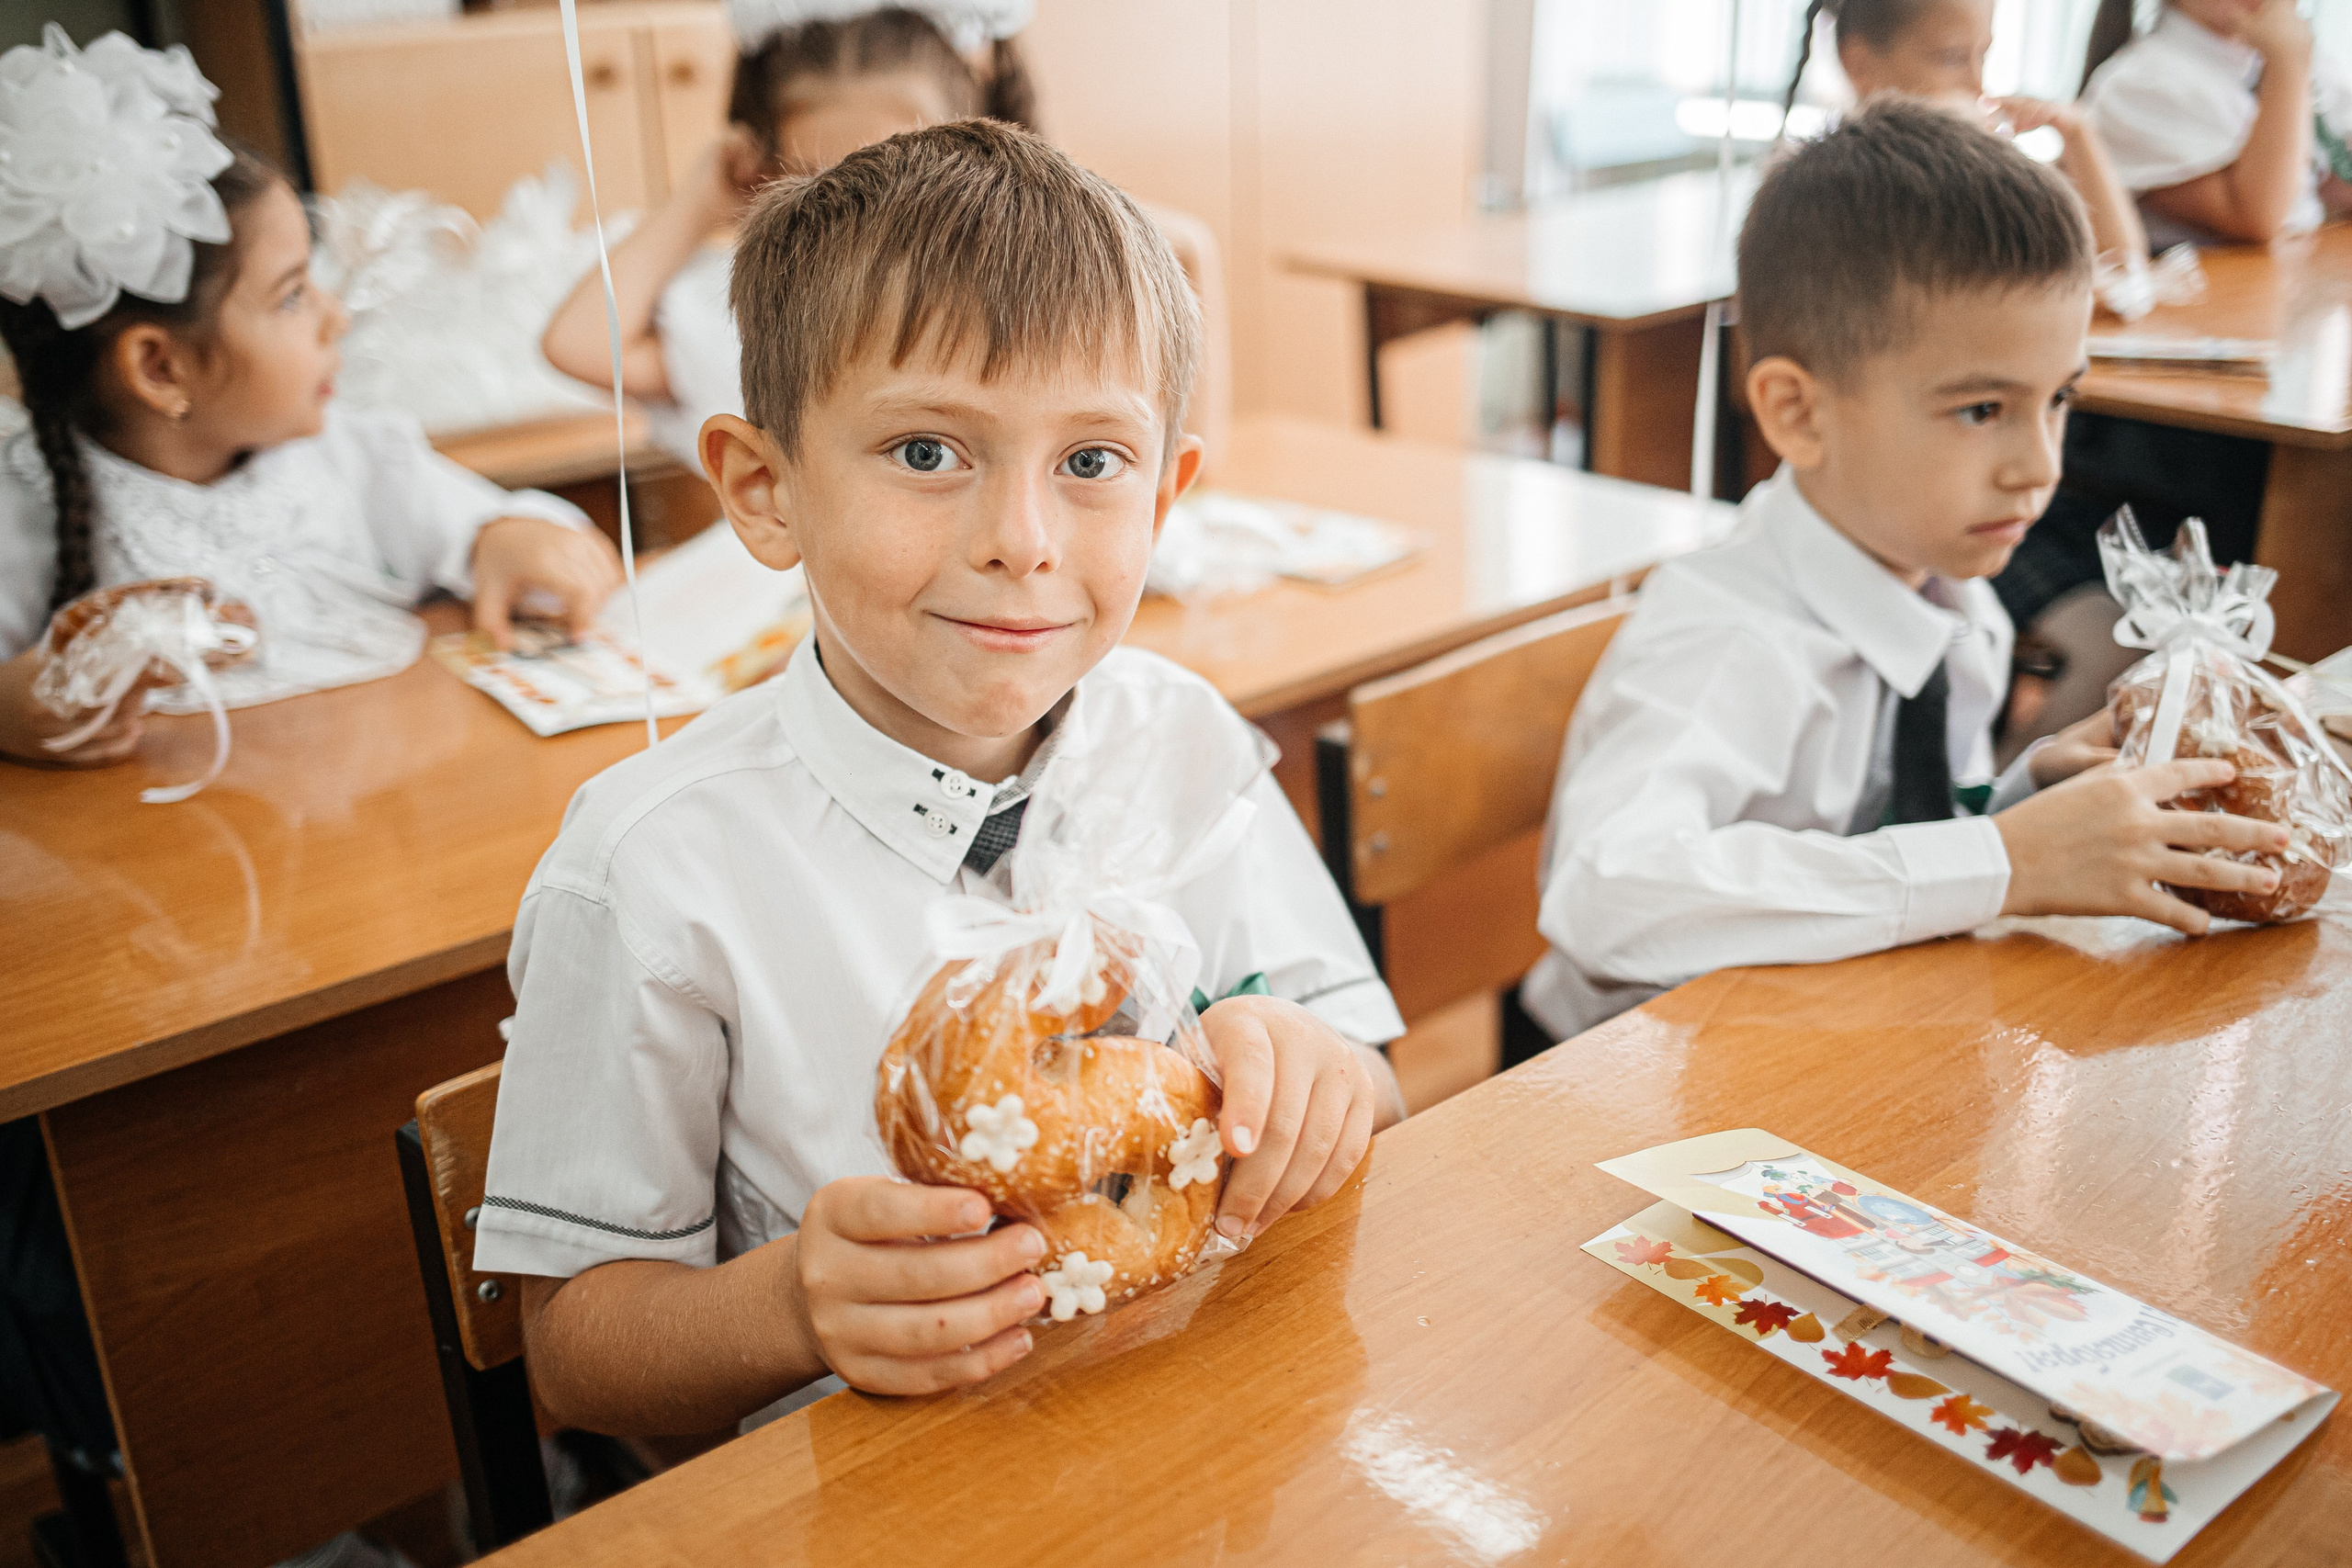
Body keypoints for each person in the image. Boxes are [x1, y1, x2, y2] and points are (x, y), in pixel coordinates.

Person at [477, 120, 1404, 1431]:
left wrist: (1314, 1071)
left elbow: (1368, 1070)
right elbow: (574, 1350)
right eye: (928, 453)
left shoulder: (1178, 736)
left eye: (1091, 463)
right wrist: (794, 1304)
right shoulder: (651, 864)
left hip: (1207, 1422)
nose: (1022, 541)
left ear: (1166, 491)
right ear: (764, 488)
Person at [1517, 100, 2288, 1044]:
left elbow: (1893, 839)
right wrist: (1996, 857)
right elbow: (1606, 898)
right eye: (1980, 410)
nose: (2039, 465)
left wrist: (2030, 801)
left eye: (2057, 401)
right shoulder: (1725, 638)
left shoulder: (1951, 592)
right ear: (1798, 414)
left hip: (1838, 1038)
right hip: (1634, 1085)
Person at [0, 28, 619, 772]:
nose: (337, 315)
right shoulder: (21, 510)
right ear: (159, 368)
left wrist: (505, 534)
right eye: (292, 295)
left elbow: (504, 525)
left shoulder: (354, 459)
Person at [539, 1, 1233, 481]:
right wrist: (698, 200)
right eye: (829, 178)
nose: (875, 210)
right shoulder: (755, 324)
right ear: (773, 172)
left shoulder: (1038, 290)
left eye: (906, 163)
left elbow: (1186, 248)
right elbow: (575, 344)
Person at [1784, 0, 2147, 265]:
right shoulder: (1836, 188)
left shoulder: (1970, 165)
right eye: (1952, 57)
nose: (1977, 83)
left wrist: (2077, 131)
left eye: (1983, 56)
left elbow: (2123, 262)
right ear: (1858, 63)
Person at [2082, 0, 2352, 248]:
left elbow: (2334, 182)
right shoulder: (2140, 82)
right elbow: (2258, 218)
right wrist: (2288, 64)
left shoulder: (2274, 60)